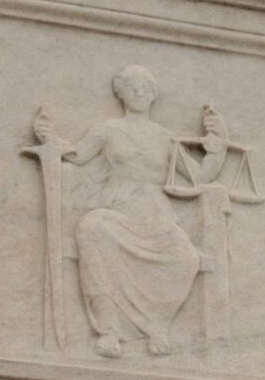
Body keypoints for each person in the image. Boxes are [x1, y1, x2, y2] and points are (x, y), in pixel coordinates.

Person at [32, 64, 227, 358]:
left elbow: (199, 176)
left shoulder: (165, 137)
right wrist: (49, 137)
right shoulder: (107, 130)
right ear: (121, 93)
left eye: (145, 88)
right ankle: (109, 331)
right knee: (91, 228)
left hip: (157, 216)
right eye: (132, 87)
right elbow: (77, 155)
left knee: (185, 257)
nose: (139, 92)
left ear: (153, 95)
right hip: (119, 209)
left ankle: (158, 325)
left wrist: (218, 145)